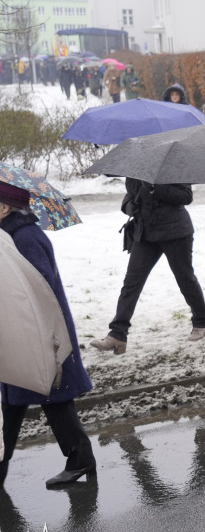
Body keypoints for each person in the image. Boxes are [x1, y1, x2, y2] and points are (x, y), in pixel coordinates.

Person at [0, 183, 96, 489]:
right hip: (18, 333)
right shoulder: (9, 236)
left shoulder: (26, 238)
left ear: (4, 207)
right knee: (12, 405)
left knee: (53, 400)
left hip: (39, 335)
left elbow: (37, 288)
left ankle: (81, 458)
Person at [90, 180, 205, 353]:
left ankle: (202, 323)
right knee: (131, 283)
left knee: (185, 278)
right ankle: (117, 334)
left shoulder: (173, 165)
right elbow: (130, 195)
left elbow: (186, 197)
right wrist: (128, 206)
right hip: (145, 234)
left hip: (175, 232)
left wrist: (156, 189)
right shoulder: (137, 169)